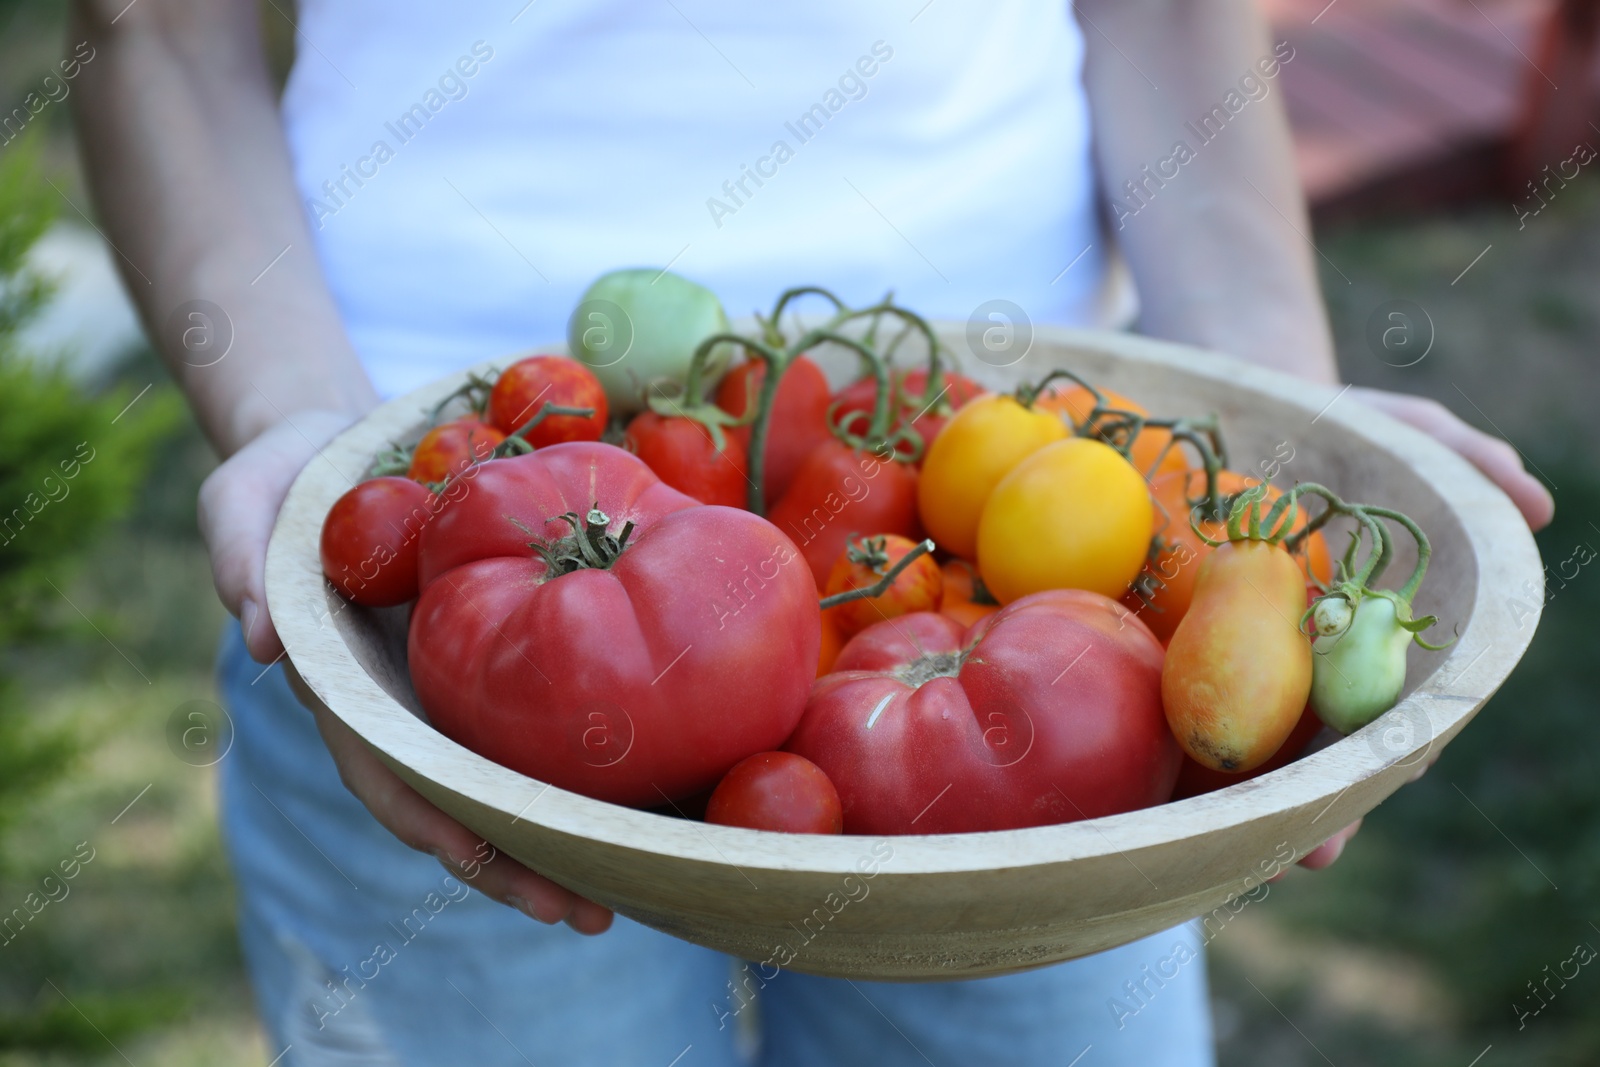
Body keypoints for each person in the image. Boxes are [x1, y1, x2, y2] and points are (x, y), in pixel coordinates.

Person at [71, 1, 1552, 1064]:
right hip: (431, 546)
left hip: (1039, 524)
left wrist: (1271, 411)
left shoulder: (1075, 578)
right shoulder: (432, 523)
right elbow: (147, 24)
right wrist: (291, 425)